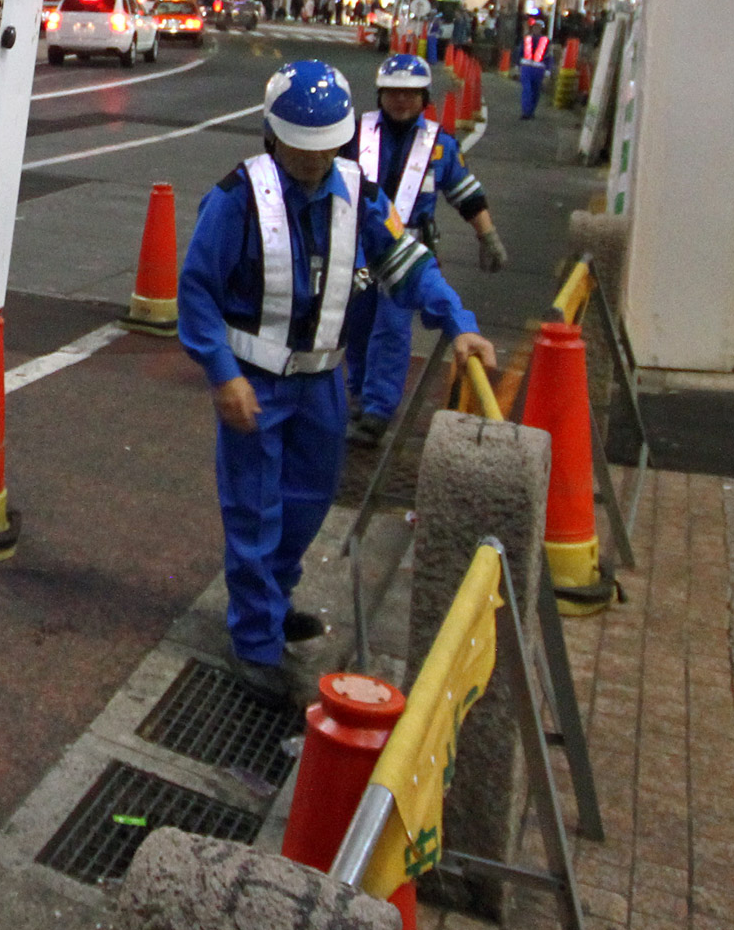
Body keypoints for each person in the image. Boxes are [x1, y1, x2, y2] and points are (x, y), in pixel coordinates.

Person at [178, 60, 496, 703]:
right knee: (255, 510)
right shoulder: (237, 197)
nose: (315, 161)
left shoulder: (360, 193)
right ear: (274, 135)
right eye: (303, 147)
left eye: (327, 146)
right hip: (255, 383)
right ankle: (257, 643)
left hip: (322, 382)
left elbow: (409, 266)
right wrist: (221, 374)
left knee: (307, 503)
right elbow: (197, 291)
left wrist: (458, 322)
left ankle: (273, 597)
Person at [340, 54, 507, 446]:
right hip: (360, 251)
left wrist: (488, 236)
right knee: (357, 324)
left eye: (410, 94)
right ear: (381, 93)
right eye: (393, 92)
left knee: (392, 331)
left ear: (424, 96)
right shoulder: (354, 134)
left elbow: (466, 194)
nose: (401, 100)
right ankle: (359, 396)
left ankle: (377, 413)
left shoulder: (439, 145)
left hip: (409, 252)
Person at [517, 17, 551, 119]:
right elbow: (520, 52)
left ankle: (531, 112)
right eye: (535, 27)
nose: (536, 29)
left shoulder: (546, 41)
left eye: (539, 27)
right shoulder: (527, 39)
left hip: (539, 68)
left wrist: (548, 70)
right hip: (526, 67)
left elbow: (549, 56)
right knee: (527, 90)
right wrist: (517, 65)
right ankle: (526, 112)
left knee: (536, 92)